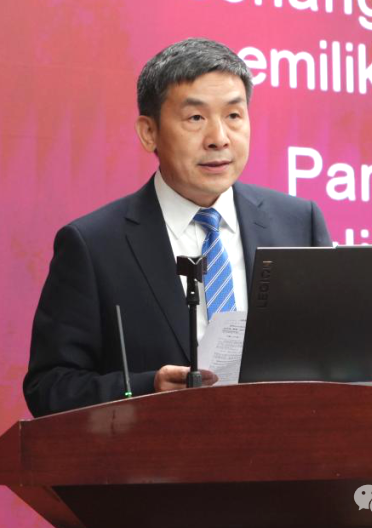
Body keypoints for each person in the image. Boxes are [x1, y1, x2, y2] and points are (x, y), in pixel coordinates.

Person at [23, 38, 332, 417]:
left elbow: (330, 355)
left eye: (234, 116)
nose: (219, 138)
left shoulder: (299, 223)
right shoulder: (93, 245)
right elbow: (50, 387)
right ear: (149, 132)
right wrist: (146, 388)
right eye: (195, 118)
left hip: (284, 446)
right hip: (159, 449)